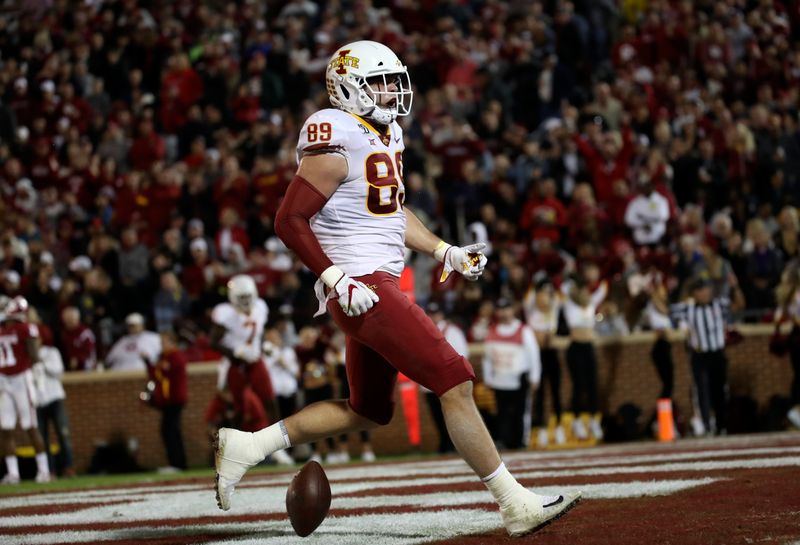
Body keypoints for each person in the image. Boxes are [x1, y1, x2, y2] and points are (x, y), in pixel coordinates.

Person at [214, 40, 580, 536]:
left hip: (367, 283)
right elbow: (288, 219)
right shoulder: (336, 134)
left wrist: (441, 250)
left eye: (393, 80)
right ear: (347, 88)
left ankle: (249, 446)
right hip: (360, 284)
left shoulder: (385, 135)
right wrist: (335, 277)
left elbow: (391, 211)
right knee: (455, 381)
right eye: (379, 82)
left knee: (369, 409)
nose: (391, 91)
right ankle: (514, 503)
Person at [210, 274, 291, 464]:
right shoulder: (225, 313)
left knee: (270, 400)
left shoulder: (261, 307)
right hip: (236, 363)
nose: (246, 301)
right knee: (239, 409)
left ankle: (278, 446)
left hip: (255, 360)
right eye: (242, 298)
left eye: (248, 297)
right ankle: (235, 452)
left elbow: (257, 334)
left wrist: (264, 346)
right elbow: (213, 341)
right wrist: (234, 352)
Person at [666, 276, 735, 435]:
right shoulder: (687, 308)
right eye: (700, 290)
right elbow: (669, 310)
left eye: (705, 289)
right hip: (699, 355)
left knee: (720, 389)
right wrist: (675, 291)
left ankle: (721, 424)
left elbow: (738, 304)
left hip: (717, 353)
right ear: (694, 293)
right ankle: (706, 425)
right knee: (702, 390)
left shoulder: (719, 305)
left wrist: (735, 287)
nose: (704, 293)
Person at [0, 297, 51, 483]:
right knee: (5, 428)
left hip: (22, 379)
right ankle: (13, 474)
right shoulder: (7, 328)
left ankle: (43, 470)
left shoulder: (24, 328)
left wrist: (40, 386)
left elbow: (35, 357)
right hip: (5, 381)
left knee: (30, 425)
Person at [482, 297, 541, 449]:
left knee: (520, 412)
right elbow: (487, 357)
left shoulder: (523, 330)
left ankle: (520, 441)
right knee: (502, 412)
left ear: (512, 310)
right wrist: (488, 377)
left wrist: (535, 376)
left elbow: (533, 354)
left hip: (519, 378)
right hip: (500, 379)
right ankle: (504, 440)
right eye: (500, 310)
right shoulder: (492, 331)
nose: (503, 313)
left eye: (506, 309)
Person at [561, 266, 608, 441]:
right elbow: (565, 286)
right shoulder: (569, 301)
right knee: (578, 386)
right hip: (575, 348)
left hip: (589, 347)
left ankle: (594, 421)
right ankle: (577, 421)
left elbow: (603, 288)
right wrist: (572, 275)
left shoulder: (591, 302)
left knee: (593, 385)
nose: (581, 290)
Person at [423, 301, 469, 454]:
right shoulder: (421, 329)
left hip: (447, 380)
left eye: (435, 313)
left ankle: (452, 444)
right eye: (430, 313)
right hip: (429, 381)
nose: (433, 317)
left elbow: (462, 354)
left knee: (450, 413)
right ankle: (445, 442)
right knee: (437, 415)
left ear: (441, 314)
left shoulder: (452, 331)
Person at [524, 278, 565, 446]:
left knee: (556, 391)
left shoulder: (553, 309)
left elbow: (561, 297)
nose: (544, 298)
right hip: (537, 355)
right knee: (539, 394)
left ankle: (559, 427)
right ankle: (539, 428)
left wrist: (551, 288)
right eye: (541, 294)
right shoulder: (531, 310)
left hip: (551, 354)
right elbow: (528, 299)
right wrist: (537, 285)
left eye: (547, 294)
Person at [32, 322, 75, 477]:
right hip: (37, 401)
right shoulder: (26, 357)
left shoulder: (51, 352)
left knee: (63, 434)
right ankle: (49, 470)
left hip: (55, 397)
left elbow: (58, 373)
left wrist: (40, 361)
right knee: (42, 438)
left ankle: (68, 467)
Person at [143, 331, 188, 472]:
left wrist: (155, 364)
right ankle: (176, 463)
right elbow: (156, 375)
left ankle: (177, 464)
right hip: (167, 400)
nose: (161, 345)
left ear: (172, 342)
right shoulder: (165, 357)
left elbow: (164, 373)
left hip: (174, 399)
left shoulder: (175, 356)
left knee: (171, 431)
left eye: (164, 342)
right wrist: (148, 363)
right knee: (168, 431)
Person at [773, 262, 800, 429]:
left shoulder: (788, 295)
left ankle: (795, 410)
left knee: (798, 377)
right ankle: (795, 410)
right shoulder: (796, 296)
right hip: (798, 339)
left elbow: (778, 318)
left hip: (794, 340)